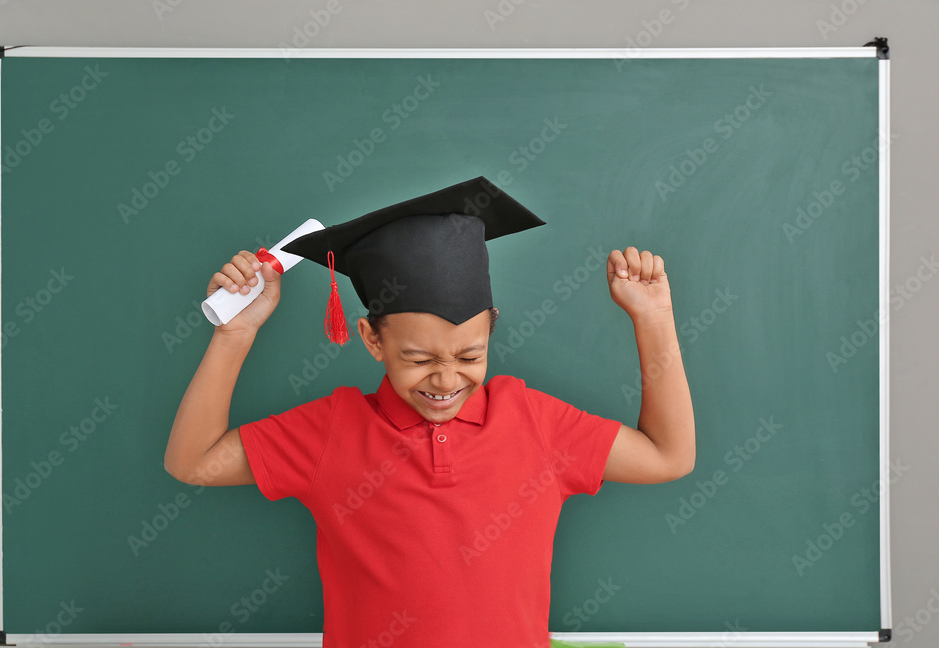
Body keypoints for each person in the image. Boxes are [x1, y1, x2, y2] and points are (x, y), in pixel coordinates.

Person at [164, 177, 694, 647]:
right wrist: (235, 334)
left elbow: (668, 457)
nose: (446, 379)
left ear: (491, 329)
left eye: (470, 356)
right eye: (418, 359)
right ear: (372, 339)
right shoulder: (330, 430)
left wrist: (655, 320)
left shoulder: (534, 420)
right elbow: (192, 462)